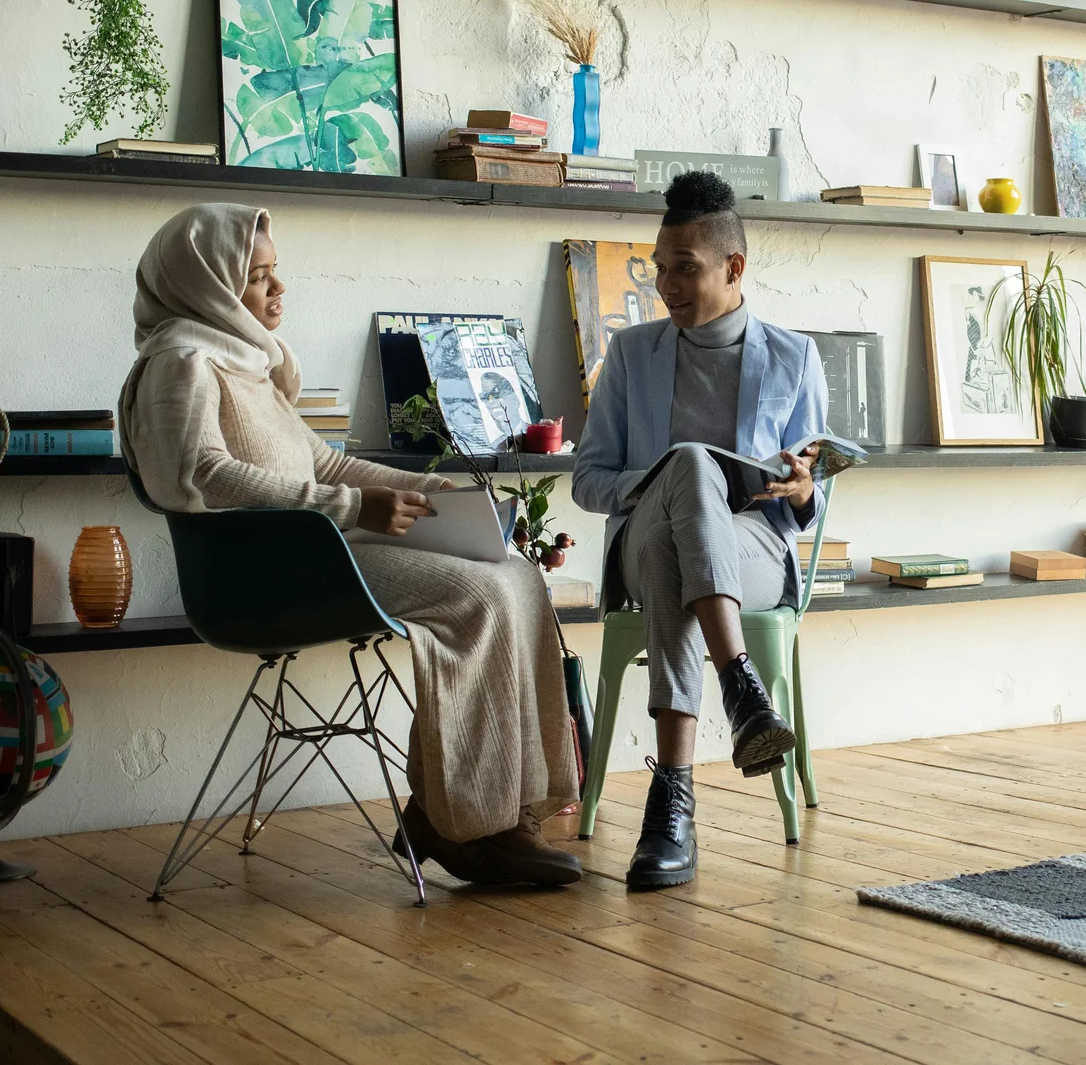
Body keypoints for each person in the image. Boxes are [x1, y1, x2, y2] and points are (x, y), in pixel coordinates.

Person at [118, 203, 580, 886]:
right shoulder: (181, 364)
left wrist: (438, 497)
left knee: (514, 572)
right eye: (256, 276)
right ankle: (470, 827)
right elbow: (198, 476)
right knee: (477, 594)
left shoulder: (246, 362)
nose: (279, 289)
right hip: (266, 572)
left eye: (277, 272)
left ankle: (488, 810)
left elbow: (326, 463)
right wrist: (353, 506)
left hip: (317, 551)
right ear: (206, 283)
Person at [573, 171, 828, 890]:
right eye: (658, 268)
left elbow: (810, 495)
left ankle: (673, 805)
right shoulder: (631, 354)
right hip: (646, 533)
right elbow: (588, 479)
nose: (666, 285)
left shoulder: (793, 357)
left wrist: (805, 487)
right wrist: (658, 482)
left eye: (683, 269)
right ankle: (741, 687)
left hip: (750, 548)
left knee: (677, 553)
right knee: (681, 479)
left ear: (732, 267)